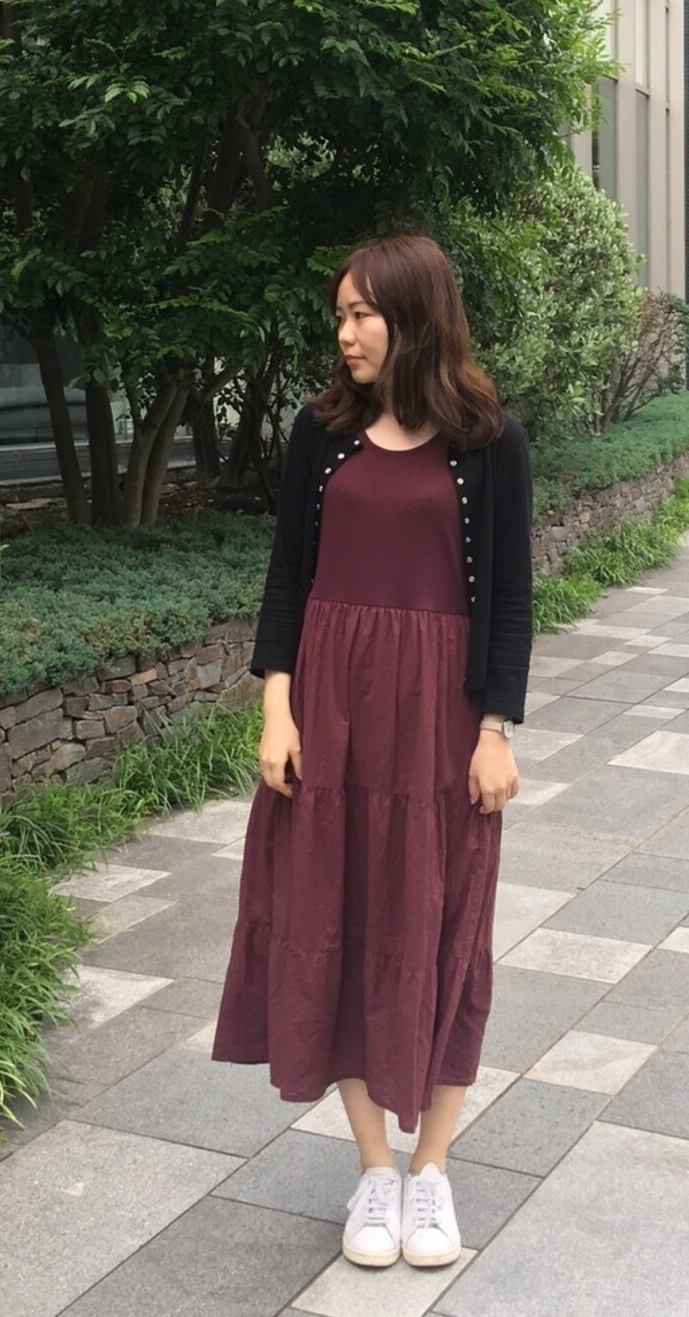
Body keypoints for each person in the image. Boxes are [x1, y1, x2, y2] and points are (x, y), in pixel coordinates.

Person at [212, 234, 532, 1269]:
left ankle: (431, 1168)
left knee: (444, 931)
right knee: (331, 920)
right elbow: (287, 576)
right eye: (339, 314)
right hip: (332, 714)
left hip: (440, 719)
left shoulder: (489, 442)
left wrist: (494, 729)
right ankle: (374, 1169)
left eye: (362, 313)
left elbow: (511, 600)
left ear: (414, 315)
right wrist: (277, 707)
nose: (344, 333)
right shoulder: (322, 434)